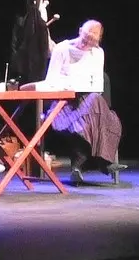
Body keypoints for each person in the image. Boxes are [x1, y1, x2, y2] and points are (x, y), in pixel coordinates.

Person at [45, 19, 126, 183]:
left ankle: (78, 165)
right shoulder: (62, 49)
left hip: (88, 99)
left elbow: (97, 83)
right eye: (85, 39)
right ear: (80, 31)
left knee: (96, 104)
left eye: (91, 42)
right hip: (63, 103)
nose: (86, 44)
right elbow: (50, 81)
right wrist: (69, 86)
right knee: (92, 117)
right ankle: (103, 162)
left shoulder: (97, 53)